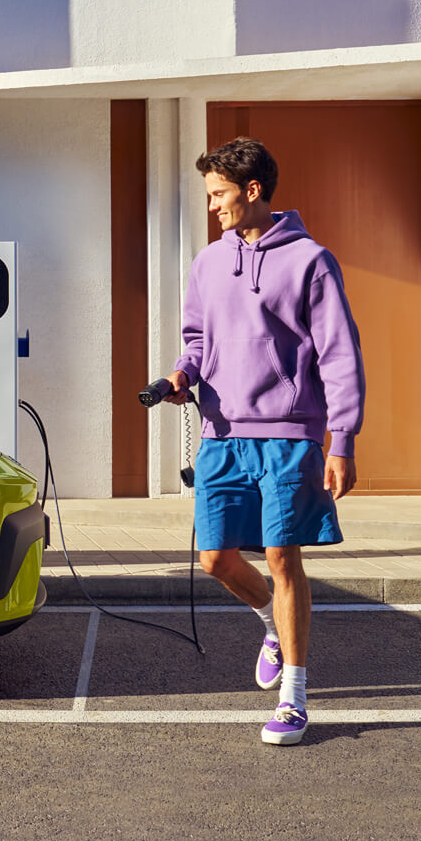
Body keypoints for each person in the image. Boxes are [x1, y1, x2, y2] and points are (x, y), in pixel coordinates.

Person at [163, 136, 365, 746]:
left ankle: (294, 698)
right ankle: (271, 624)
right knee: (215, 559)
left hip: (289, 434)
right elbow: (197, 339)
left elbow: (339, 354)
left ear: (252, 191)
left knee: (283, 558)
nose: (213, 206)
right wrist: (183, 374)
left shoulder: (311, 261)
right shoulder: (208, 262)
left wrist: (342, 439)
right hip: (222, 432)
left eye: (219, 194)